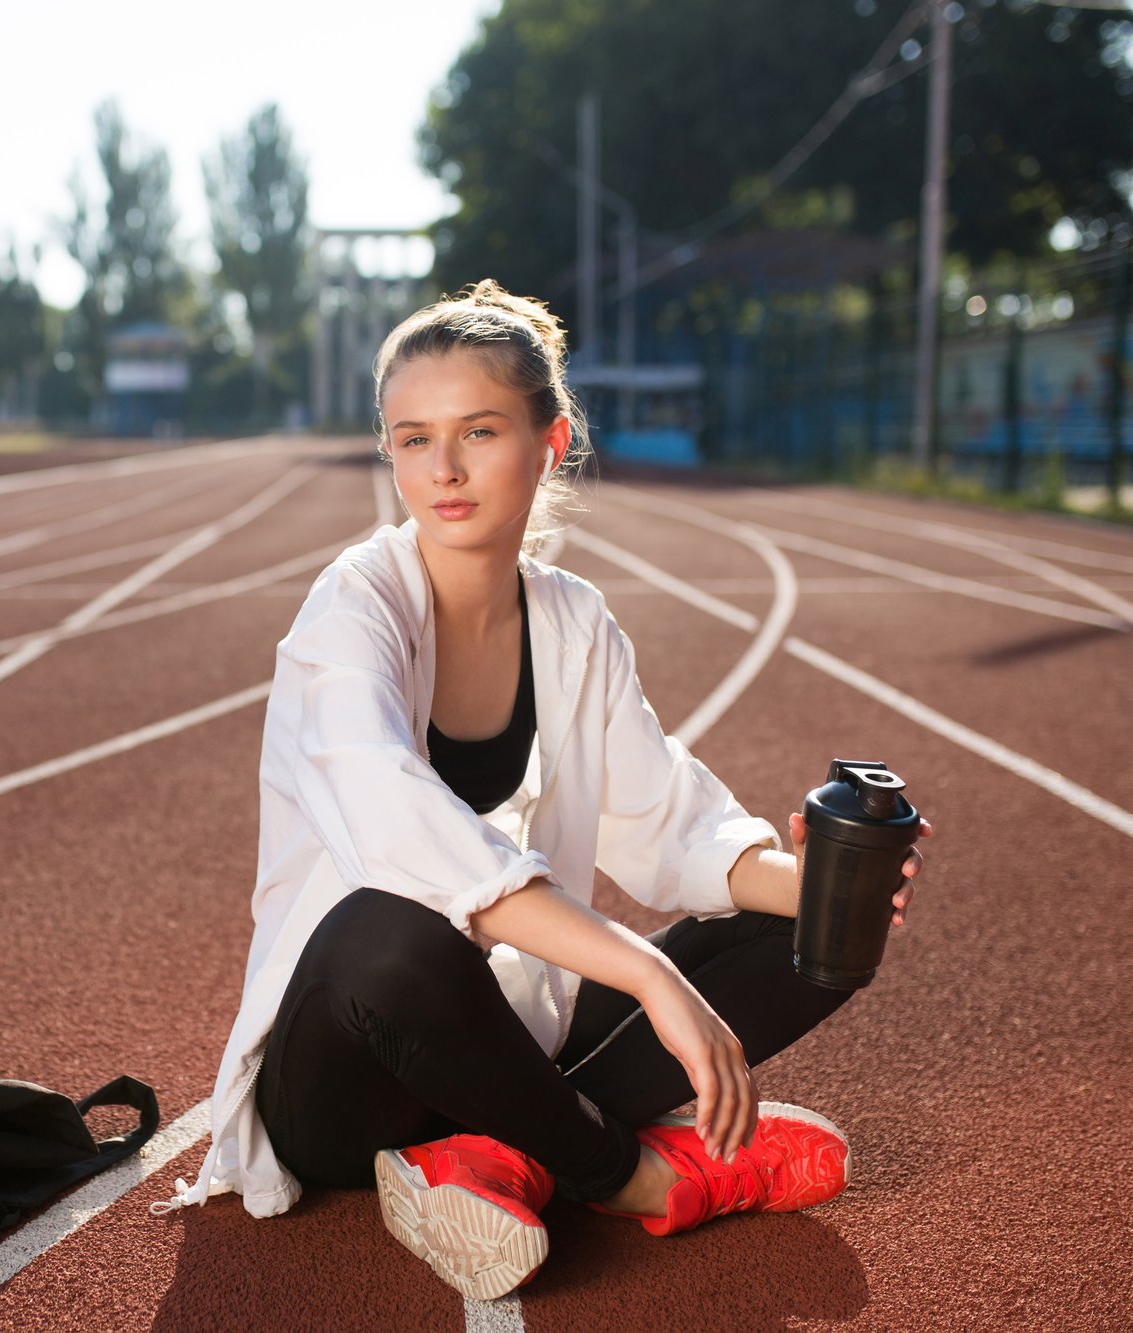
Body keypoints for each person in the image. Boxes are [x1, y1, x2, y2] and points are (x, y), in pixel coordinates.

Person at [150, 280, 932, 1301]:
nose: (442, 467)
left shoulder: (571, 619)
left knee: (824, 944)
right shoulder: (353, 607)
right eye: (411, 438)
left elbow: (666, 821)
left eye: (477, 430)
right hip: (348, 1075)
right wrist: (652, 980)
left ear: (548, 442)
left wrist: (825, 886)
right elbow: (402, 838)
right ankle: (633, 1172)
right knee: (392, 929)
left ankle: (493, 1155)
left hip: (511, 1033)